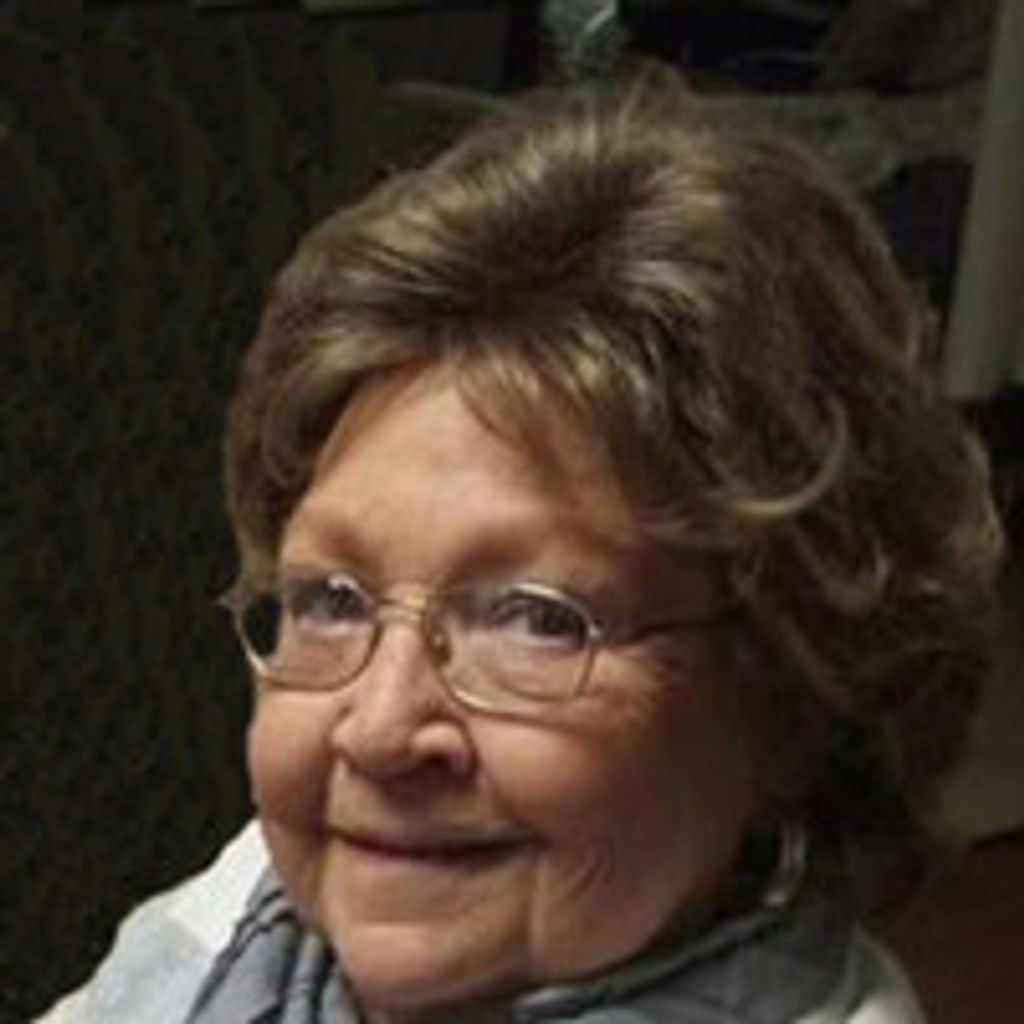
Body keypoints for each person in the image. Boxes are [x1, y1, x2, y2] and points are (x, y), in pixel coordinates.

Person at [41, 69, 1002, 1023]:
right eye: (331, 600)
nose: (377, 732)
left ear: (795, 696)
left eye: (536, 620)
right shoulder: (250, 918)